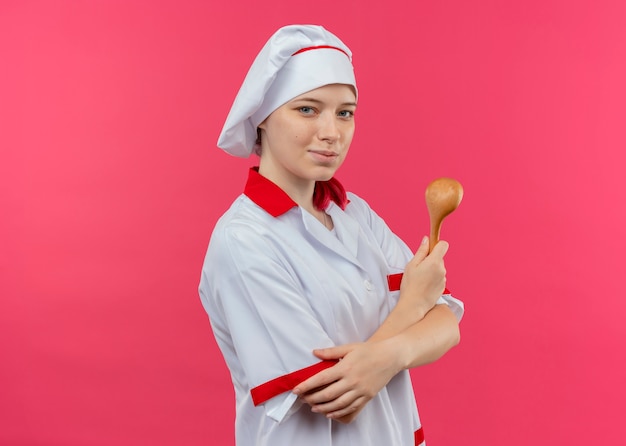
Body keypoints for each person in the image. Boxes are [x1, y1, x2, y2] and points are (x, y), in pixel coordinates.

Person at [199, 24, 464, 446]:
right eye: (307, 109)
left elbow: (447, 323)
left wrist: (388, 354)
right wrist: (412, 306)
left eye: (345, 112)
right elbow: (331, 394)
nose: (332, 132)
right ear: (263, 119)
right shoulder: (244, 240)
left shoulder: (354, 213)